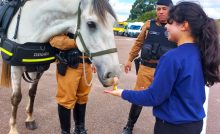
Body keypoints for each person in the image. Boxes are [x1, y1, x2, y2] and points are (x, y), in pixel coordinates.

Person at [105, 1, 220, 134]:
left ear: (184, 25)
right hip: (194, 124)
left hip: (171, 127)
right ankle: (129, 125)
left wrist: (122, 93)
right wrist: (130, 60)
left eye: (170, 22)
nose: (167, 27)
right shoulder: (201, 52)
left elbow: (154, 97)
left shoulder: (172, 58)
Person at [122, 0, 176, 133]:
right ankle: (129, 126)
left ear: (171, 9)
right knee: (138, 97)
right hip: (146, 68)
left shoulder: (176, 26)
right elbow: (138, 43)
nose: (161, 11)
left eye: (164, 8)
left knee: (166, 99)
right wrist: (129, 59)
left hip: (165, 71)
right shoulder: (148, 24)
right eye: (158, 9)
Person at [50, 33, 95, 134]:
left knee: (83, 97)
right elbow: (54, 39)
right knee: (65, 99)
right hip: (69, 65)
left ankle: (80, 128)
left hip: (86, 64)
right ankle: (65, 132)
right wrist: (78, 42)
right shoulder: (66, 18)